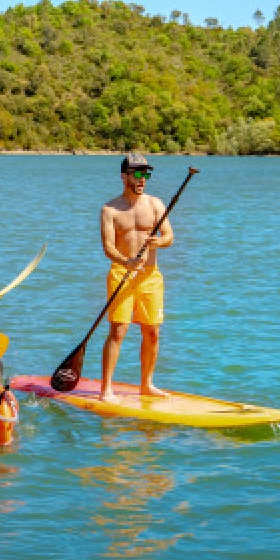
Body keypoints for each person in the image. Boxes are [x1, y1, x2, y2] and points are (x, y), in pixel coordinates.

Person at [98, 153, 175, 403]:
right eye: (137, 174)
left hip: (150, 277)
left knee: (152, 331)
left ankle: (146, 384)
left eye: (146, 174)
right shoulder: (110, 209)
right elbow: (108, 247)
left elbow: (169, 236)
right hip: (122, 273)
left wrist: (159, 242)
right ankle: (106, 389)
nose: (143, 179)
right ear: (124, 177)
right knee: (118, 330)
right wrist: (126, 262)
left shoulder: (155, 205)